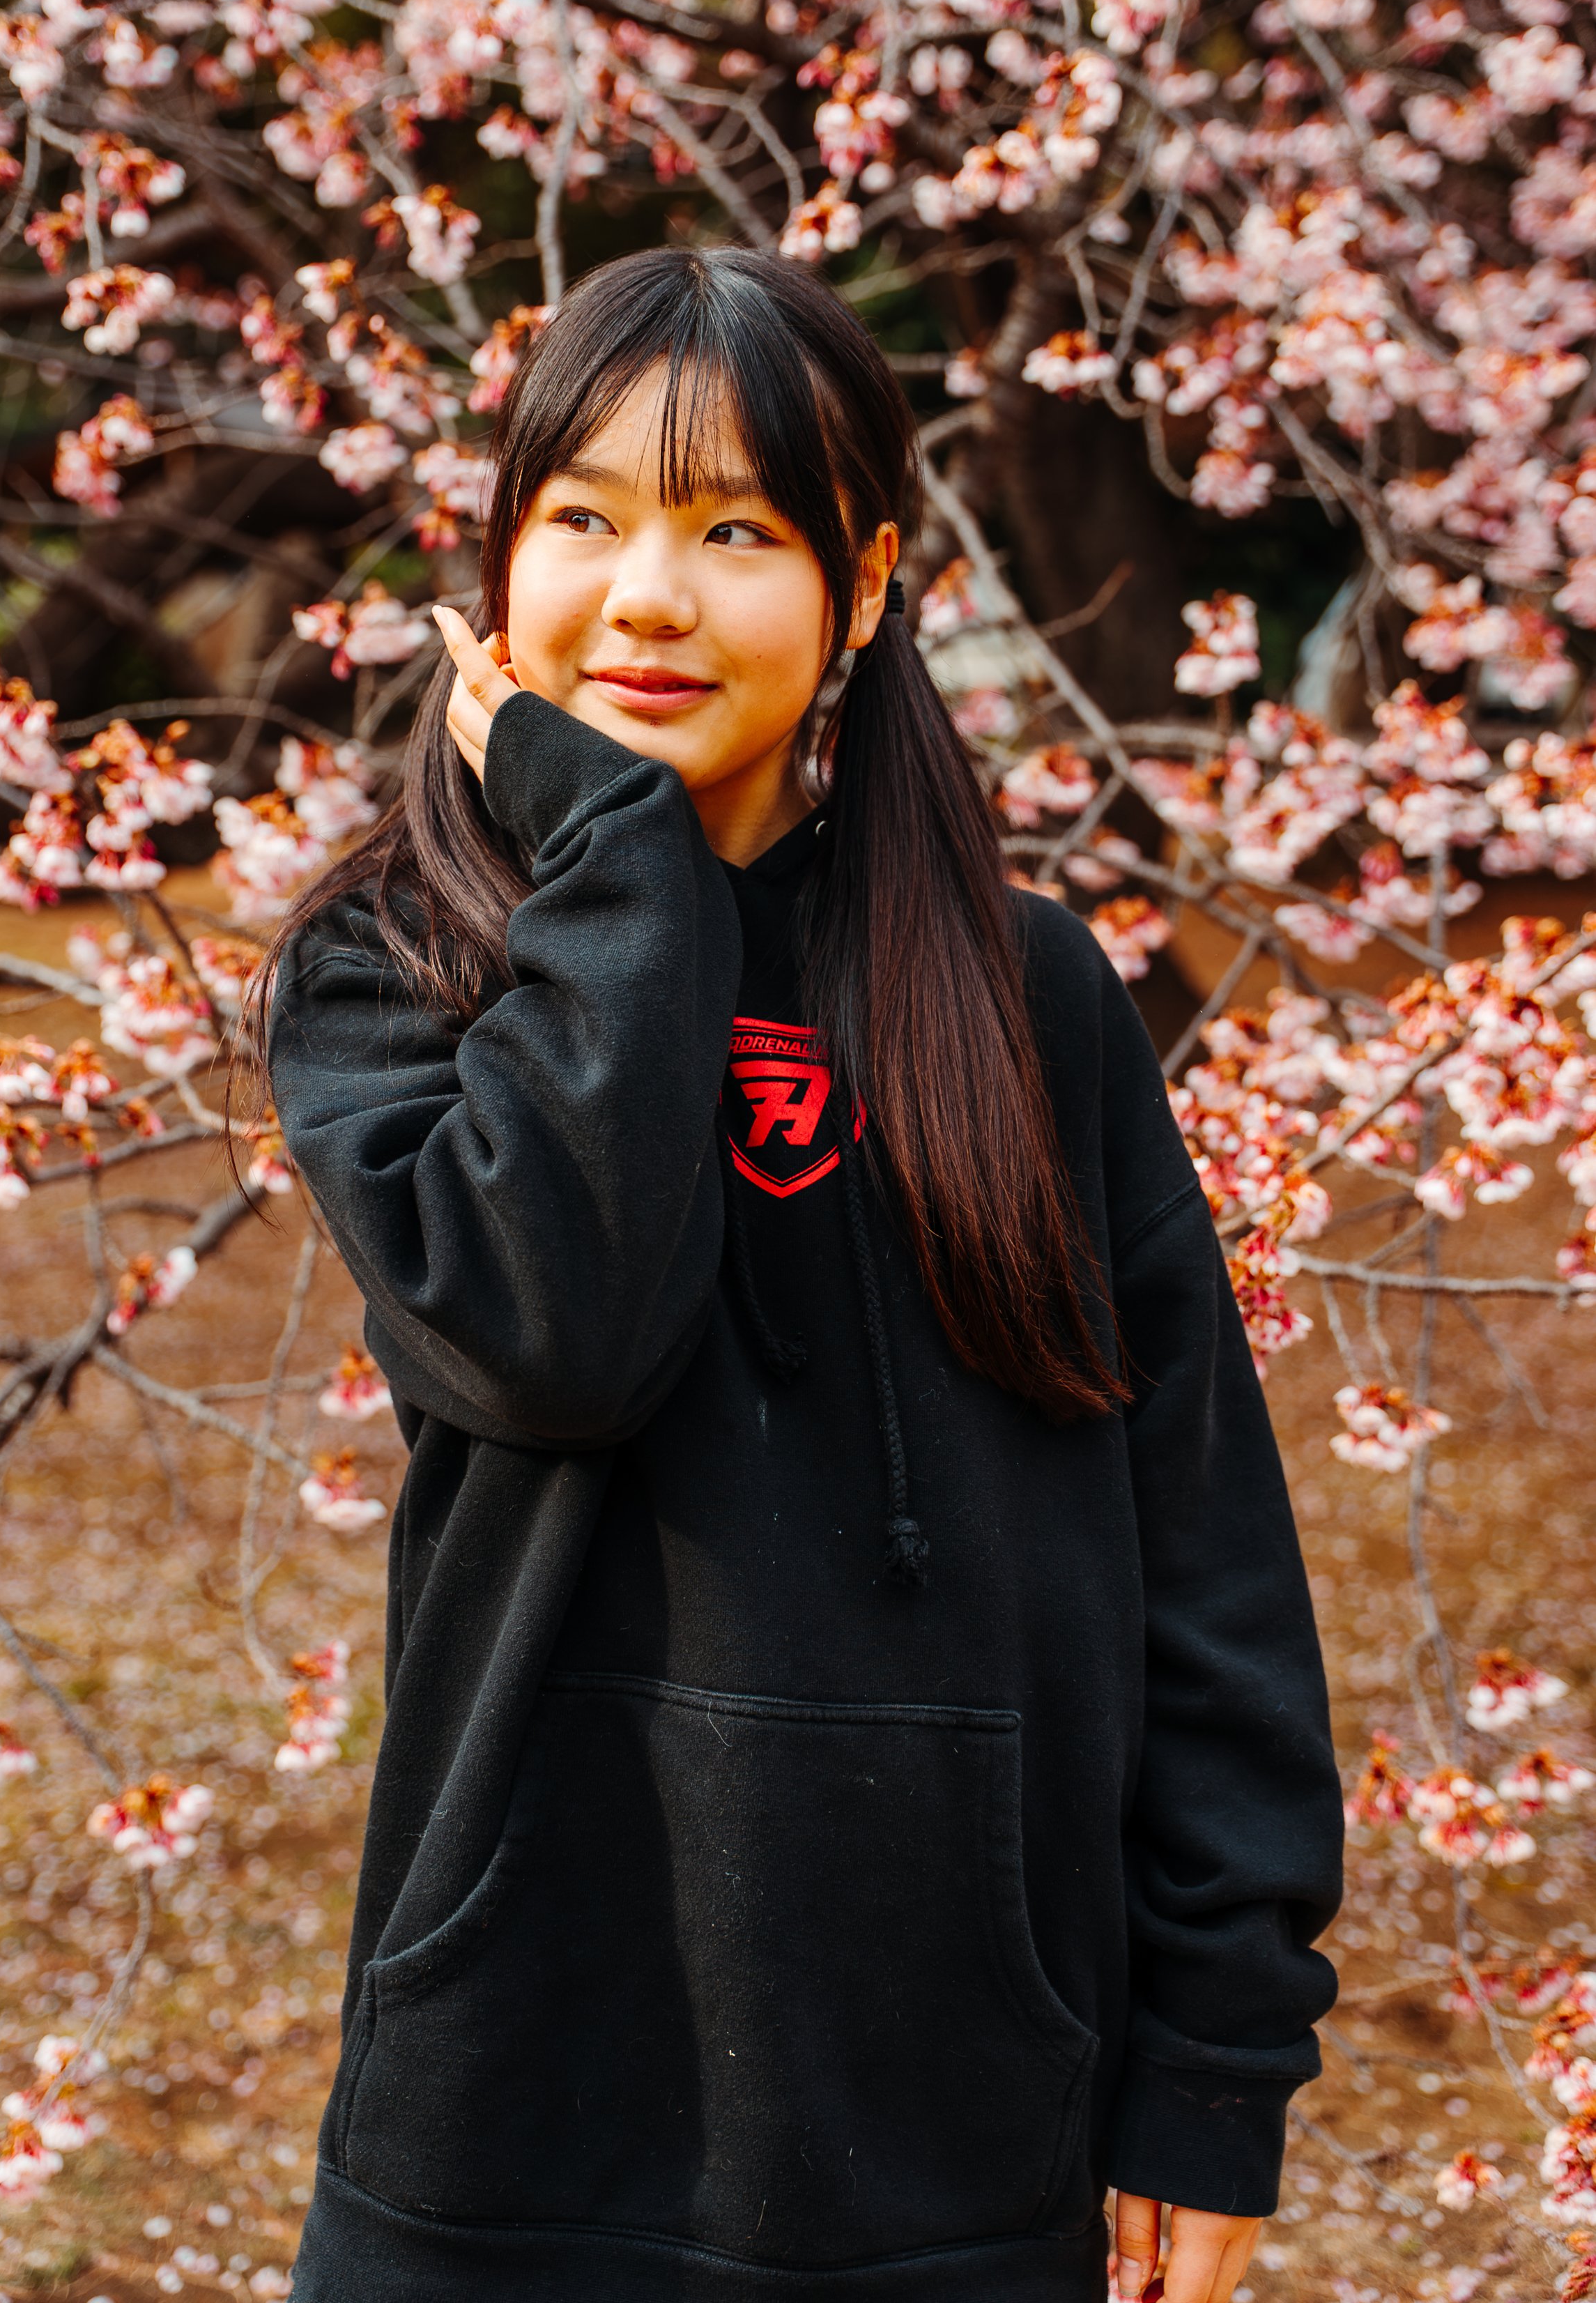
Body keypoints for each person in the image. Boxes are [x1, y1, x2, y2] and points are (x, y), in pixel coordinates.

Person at [260, 246, 1342, 2303]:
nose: (648, 594)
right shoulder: (393, 975)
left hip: (956, 2110)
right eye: (581, 518)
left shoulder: (1023, 1003)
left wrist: (1215, 2058)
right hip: (512, 2099)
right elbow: (555, 1336)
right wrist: (622, 864)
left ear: (857, 588)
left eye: (731, 530)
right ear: (500, 564)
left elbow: (1197, 1546)